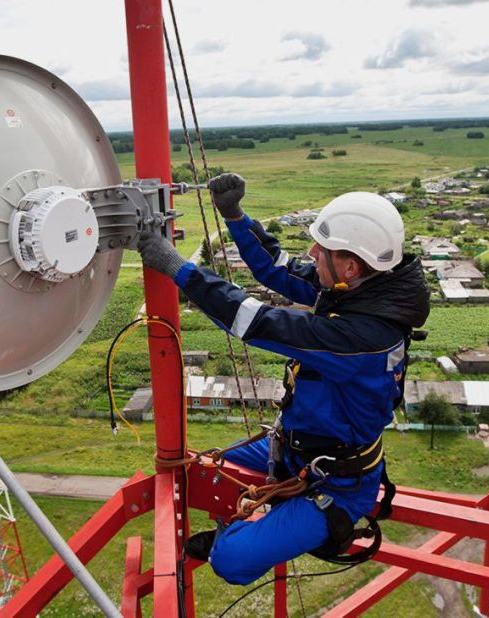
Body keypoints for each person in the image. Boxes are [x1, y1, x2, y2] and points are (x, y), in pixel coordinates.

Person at [136, 173, 430, 585]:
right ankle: (255, 525)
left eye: (321, 250)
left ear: (350, 265)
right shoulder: (359, 290)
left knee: (232, 562)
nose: (311, 253)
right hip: (294, 449)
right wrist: (236, 217)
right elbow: (278, 270)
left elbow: (255, 320)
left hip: (338, 482)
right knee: (199, 471)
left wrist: (175, 267)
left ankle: (236, 537)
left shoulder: (363, 338)